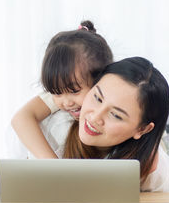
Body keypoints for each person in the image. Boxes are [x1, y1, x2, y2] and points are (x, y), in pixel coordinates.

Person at [63, 57, 169, 192]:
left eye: (115, 115)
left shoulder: (152, 172)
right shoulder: (59, 118)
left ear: (142, 129)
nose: (95, 117)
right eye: (97, 98)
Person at [10, 20, 113, 159]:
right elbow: (21, 118)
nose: (66, 102)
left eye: (75, 91)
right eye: (56, 92)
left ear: (102, 79)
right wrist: (53, 165)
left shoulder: (116, 95)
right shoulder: (65, 96)